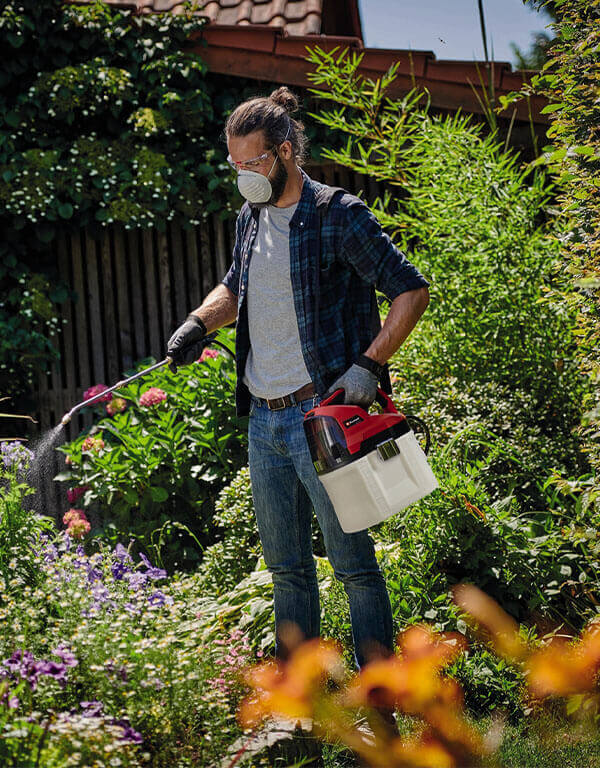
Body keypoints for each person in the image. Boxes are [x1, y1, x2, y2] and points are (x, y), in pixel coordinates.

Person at [166, 87, 430, 672]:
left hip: (324, 422)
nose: (243, 176)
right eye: (234, 166)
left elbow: (411, 290)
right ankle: (300, 712)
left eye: (253, 163)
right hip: (264, 419)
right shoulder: (250, 216)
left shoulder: (339, 215)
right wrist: (198, 322)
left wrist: (369, 364)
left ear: (285, 152)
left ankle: (380, 705)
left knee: (355, 567)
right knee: (287, 570)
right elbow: (237, 287)